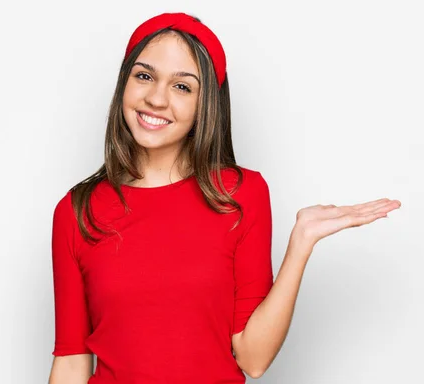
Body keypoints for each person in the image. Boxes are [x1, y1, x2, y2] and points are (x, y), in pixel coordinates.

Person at [48, 12, 401, 384]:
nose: (156, 98)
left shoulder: (241, 195)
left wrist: (301, 244)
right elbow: (71, 361)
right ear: (124, 83)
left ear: (206, 105)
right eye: (144, 76)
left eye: (182, 87)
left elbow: (254, 358)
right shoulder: (77, 211)